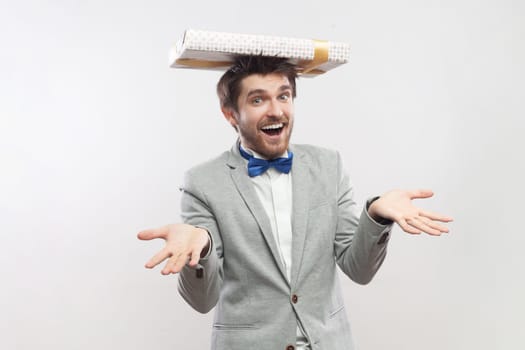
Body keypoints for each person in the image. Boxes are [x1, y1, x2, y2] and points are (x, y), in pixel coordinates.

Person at [138, 55, 452, 350]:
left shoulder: (329, 165)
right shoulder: (203, 182)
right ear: (230, 114)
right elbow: (202, 301)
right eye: (257, 99)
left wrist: (376, 216)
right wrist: (202, 248)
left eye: (283, 96)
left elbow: (358, 269)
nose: (276, 110)